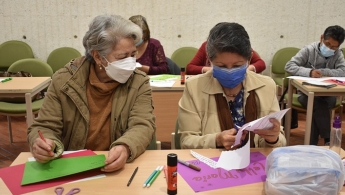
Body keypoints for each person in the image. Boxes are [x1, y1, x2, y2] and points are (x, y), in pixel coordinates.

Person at [27, 14, 156, 172]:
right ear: (97, 56)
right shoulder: (64, 81)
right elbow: (45, 126)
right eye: (122, 57)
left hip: (118, 169)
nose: (130, 62)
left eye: (133, 55)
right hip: (74, 168)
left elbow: (142, 125)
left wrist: (125, 146)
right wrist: (45, 143)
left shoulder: (139, 82)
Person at [178, 22, 286, 149]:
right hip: (214, 164)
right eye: (221, 66)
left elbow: (280, 141)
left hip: (254, 164)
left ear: (249, 59)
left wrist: (273, 139)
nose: (229, 71)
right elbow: (186, 142)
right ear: (210, 61)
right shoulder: (194, 88)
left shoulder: (266, 86)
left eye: (237, 66)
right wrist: (216, 140)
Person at [285, 25, 345, 145]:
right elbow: (289, 66)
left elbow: (343, 71)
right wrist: (309, 72)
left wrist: (323, 72)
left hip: (329, 95)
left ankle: (312, 145)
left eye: (334, 47)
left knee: (317, 107)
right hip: (305, 94)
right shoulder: (308, 50)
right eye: (327, 44)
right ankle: (328, 139)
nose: (330, 48)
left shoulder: (337, 54)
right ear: (322, 37)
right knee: (316, 102)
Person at [186, 41, 266, 75]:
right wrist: (212, 70)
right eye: (222, 65)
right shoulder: (207, 46)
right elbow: (190, 68)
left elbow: (261, 64)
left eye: (236, 65)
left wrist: (244, 69)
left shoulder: (240, 46)